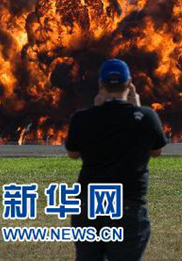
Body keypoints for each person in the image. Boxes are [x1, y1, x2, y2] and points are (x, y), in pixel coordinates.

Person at [66, 58, 168, 261]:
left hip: (90, 204)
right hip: (128, 203)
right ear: (129, 84)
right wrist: (137, 108)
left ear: (100, 84)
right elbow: (155, 151)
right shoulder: (147, 117)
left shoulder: (82, 118)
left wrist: (96, 111)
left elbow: (73, 153)